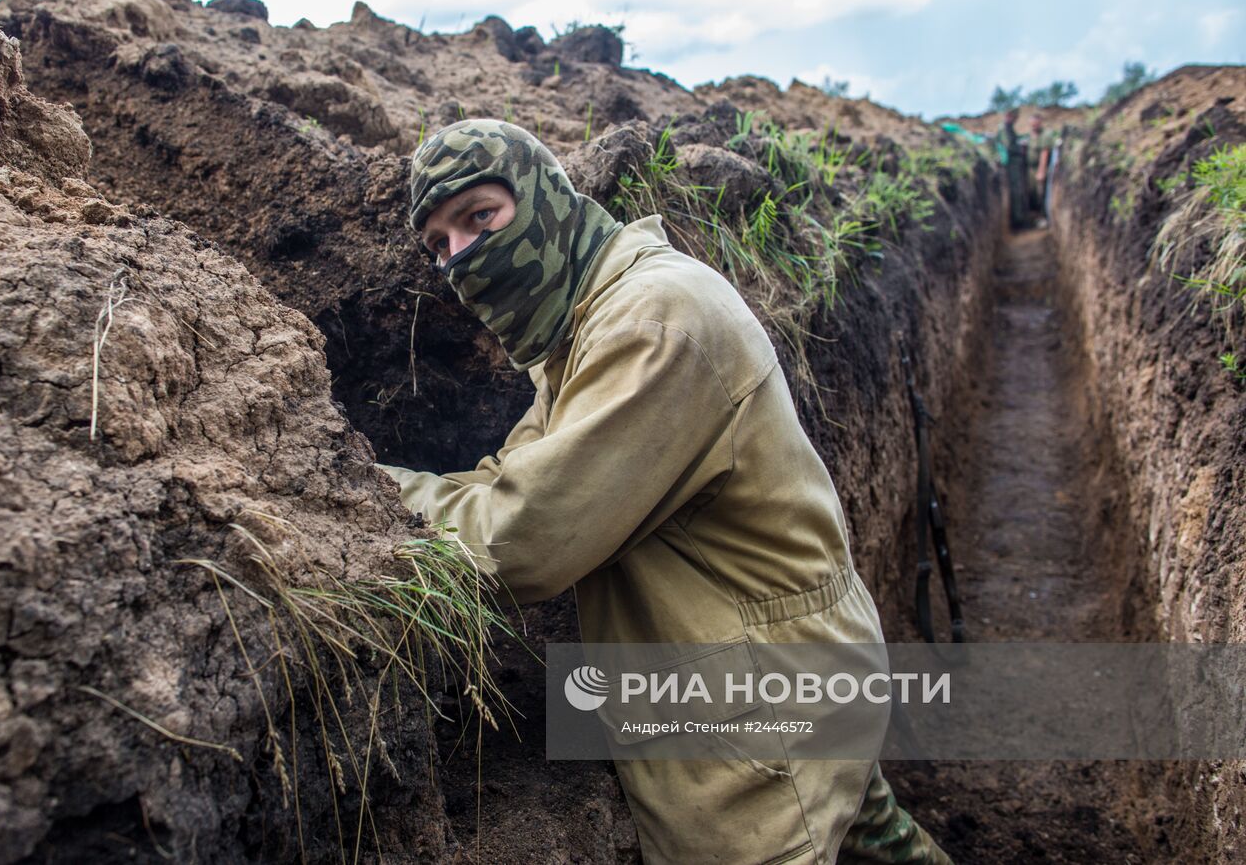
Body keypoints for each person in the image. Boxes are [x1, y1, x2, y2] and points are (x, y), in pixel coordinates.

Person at [378, 119, 952, 864]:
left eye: (480, 216)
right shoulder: (591, 317)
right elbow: (516, 473)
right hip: (807, 654)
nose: (461, 257)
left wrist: (364, 491)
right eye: (439, 244)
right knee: (880, 838)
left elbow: (521, 537)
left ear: (545, 195)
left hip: (763, 711)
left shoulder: (650, 325)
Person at [1000, 109, 1029, 230]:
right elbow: (1008, 147)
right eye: (1011, 116)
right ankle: (1018, 221)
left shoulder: (1009, 130)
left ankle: (1020, 218)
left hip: (1016, 165)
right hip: (1012, 166)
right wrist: (1019, 149)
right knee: (1016, 192)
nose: (1013, 119)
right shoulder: (1005, 130)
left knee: (1020, 191)